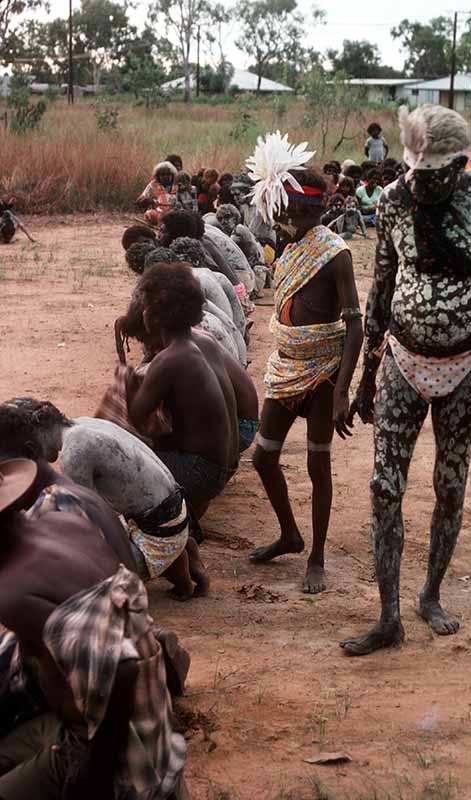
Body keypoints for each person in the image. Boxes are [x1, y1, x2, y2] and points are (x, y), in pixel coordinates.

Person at [341, 104, 471, 657]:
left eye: (435, 174)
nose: (422, 184)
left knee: (450, 487)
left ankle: (431, 595)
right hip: (401, 359)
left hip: (467, 367)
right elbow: (380, 288)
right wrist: (366, 375)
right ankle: (387, 615)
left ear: (460, 164)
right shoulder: (394, 200)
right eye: (415, 172)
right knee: (382, 489)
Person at [0, 458, 189, 799]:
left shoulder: (14, 593)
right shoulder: (60, 521)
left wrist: (94, 772)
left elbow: (123, 669)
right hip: (149, 715)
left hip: (116, 750)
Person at [245, 132, 364, 593]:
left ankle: (316, 556)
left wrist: (342, 391)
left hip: (322, 373)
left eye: (288, 210)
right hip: (286, 365)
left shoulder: (336, 254)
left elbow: (355, 326)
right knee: (263, 459)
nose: (281, 217)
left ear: (307, 211)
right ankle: (290, 535)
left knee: (318, 466)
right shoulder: (289, 246)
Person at [2, 398, 209, 599]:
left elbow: (84, 525)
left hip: (158, 531)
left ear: (32, 445)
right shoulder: (83, 424)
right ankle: (179, 554)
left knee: (85, 575)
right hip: (175, 513)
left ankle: (170, 555)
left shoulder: (74, 455)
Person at [128, 262, 239, 519]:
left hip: (200, 471)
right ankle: (185, 529)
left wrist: (125, 383)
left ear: (152, 316)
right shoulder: (202, 342)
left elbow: (135, 417)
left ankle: (164, 532)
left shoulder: (170, 359)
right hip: (224, 463)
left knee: (121, 464)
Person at [135, 161, 178, 227]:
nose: (165, 177)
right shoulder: (152, 185)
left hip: (174, 212)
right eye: (162, 175)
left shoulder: (177, 185)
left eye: (168, 174)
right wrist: (147, 201)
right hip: (158, 212)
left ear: (172, 175)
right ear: (158, 176)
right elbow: (141, 199)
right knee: (149, 214)